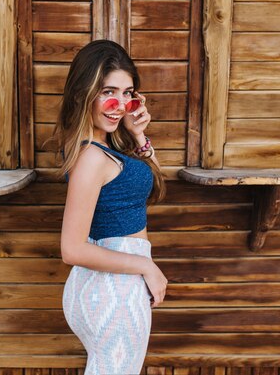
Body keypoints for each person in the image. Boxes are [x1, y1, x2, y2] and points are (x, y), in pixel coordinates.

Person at [52, 39, 168, 374]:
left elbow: (154, 186)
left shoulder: (106, 148)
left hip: (112, 285)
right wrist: (146, 267)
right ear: (82, 94)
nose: (120, 104)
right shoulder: (91, 157)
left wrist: (138, 135)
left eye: (129, 92)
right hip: (113, 289)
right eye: (108, 92)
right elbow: (71, 249)